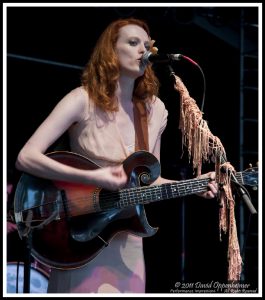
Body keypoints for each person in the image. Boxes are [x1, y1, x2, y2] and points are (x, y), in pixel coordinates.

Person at [15, 18, 218, 293]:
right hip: (80, 235)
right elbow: (26, 157)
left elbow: (149, 181)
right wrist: (94, 176)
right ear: (111, 51)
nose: (142, 51)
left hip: (128, 241)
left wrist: (192, 186)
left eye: (146, 46)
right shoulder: (81, 99)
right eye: (133, 43)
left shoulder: (154, 110)